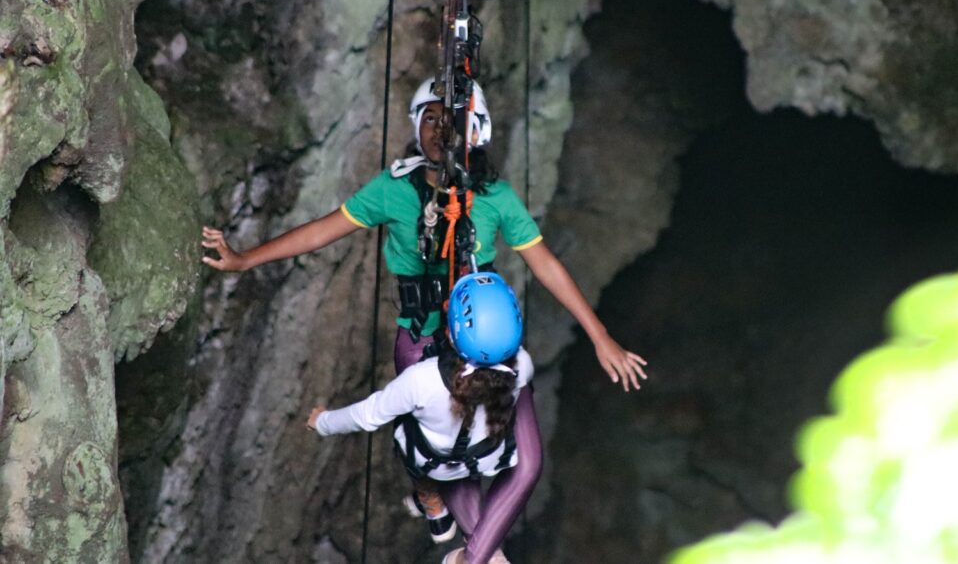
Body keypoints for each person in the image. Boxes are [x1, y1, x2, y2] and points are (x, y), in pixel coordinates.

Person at [202, 79, 648, 562]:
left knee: (528, 462)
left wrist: (600, 336)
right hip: (423, 338)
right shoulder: (393, 190)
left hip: (486, 340)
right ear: (416, 126)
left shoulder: (493, 196)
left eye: (452, 118)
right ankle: (463, 537)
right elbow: (321, 231)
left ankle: (469, 552)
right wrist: (244, 259)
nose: (441, 129)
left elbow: (545, 264)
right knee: (447, 462)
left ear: (475, 131)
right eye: (430, 118)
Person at [308, 271, 530, 564]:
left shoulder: (421, 381)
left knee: (407, 425)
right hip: (490, 459)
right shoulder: (522, 365)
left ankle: (431, 500)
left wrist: (322, 422)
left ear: (450, 334)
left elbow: (367, 416)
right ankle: (439, 512)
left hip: (436, 466)